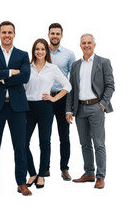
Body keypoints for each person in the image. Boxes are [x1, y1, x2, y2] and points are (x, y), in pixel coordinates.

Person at [0, 21, 32, 196]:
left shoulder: (23, 55)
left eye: (10, 32)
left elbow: (25, 77)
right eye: (4, 32)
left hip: (17, 106)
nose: (7, 35)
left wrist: (0, 75)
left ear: (14, 34)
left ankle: (22, 183)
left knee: (20, 147)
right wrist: (11, 72)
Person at [66, 34, 115, 189]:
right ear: (80, 45)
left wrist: (102, 104)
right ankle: (89, 173)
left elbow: (110, 85)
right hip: (80, 108)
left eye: (89, 43)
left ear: (94, 45)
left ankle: (100, 177)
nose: (86, 45)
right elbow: (70, 89)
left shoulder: (104, 62)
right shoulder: (75, 65)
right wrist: (68, 110)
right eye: (83, 43)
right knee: (84, 143)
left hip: (96, 107)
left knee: (99, 143)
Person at [25, 39, 71, 188]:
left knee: (44, 143)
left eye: (42, 49)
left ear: (46, 51)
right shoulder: (27, 67)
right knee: (23, 143)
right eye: (37, 49)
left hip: (45, 107)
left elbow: (67, 85)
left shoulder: (52, 68)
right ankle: (32, 173)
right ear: (33, 51)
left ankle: (42, 174)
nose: (39, 52)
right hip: (28, 108)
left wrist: (54, 98)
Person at [47, 23, 76, 181]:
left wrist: (70, 106)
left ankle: (64, 168)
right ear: (48, 35)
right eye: (52, 33)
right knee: (45, 135)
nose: (55, 36)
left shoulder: (69, 54)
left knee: (64, 136)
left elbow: (74, 80)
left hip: (62, 98)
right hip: (45, 98)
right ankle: (45, 168)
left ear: (61, 35)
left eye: (58, 33)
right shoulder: (42, 52)